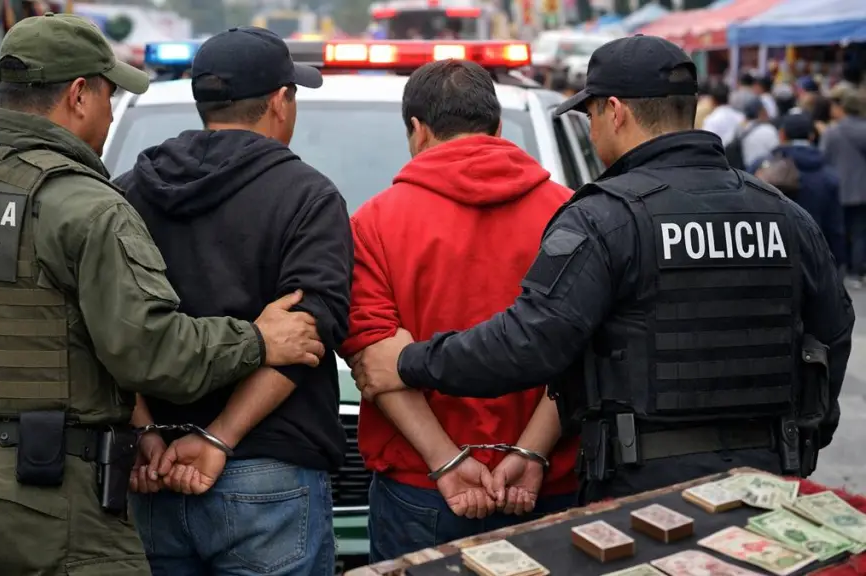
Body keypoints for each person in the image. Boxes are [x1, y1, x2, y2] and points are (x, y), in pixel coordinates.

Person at [0, 14, 325, 576]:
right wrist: (258, 339)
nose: (112, 115)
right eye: (110, 95)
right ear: (79, 94)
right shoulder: (84, 203)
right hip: (44, 488)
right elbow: (153, 354)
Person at [351, 35, 855, 504]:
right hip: (766, 481)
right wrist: (801, 437)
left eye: (589, 115)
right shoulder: (784, 214)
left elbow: (532, 342)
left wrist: (410, 361)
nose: (590, 133)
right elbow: (833, 331)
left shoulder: (608, 217)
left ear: (614, 112)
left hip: (643, 489)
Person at [115, 26, 352, 575]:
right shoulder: (308, 197)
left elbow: (105, 326)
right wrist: (220, 438)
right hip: (268, 474)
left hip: (153, 469)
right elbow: (308, 332)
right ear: (279, 102)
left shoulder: (128, 189)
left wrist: (145, 431)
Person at [339, 59, 579, 563]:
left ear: (416, 131)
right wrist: (530, 452)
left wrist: (446, 461)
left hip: (421, 488)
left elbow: (372, 355)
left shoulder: (374, 223)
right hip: (547, 480)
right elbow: (586, 344)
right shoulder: (569, 212)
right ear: (496, 129)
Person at [753, 113, 844, 264]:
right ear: (812, 136)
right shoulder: (829, 175)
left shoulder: (762, 167)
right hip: (815, 257)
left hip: (772, 257)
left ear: (782, 135)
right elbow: (834, 227)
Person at [820, 89, 866, 286]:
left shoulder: (832, 132)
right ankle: (857, 272)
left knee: (838, 231)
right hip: (862, 189)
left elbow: (823, 157)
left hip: (836, 188)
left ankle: (839, 270)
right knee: (859, 233)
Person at [725, 98, 780, 171]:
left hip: (744, 174)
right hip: (765, 173)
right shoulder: (768, 129)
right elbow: (778, 154)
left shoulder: (739, 129)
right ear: (762, 112)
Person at [701, 81, 743, 146]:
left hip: (720, 153)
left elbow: (707, 144)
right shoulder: (740, 117)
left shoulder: (711, 120)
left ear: (713, 100)